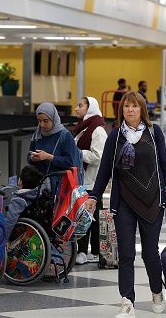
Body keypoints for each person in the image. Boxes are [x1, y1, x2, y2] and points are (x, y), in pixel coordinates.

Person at [84, 91, 166, 318]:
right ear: (122, 110)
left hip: (152, 201)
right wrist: (94, 196)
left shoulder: (154, 132)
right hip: (124, 202)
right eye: (126, 106)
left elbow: (164, 163)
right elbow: (105, 169)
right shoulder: (116, 136)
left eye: (135, 106)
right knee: (126, 254)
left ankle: (157, 290)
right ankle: (127, 302)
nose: (130, 110)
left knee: (150, 253)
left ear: (142, 109)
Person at [72, 97, 108, 265]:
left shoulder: (98, 130)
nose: (77, 108)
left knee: (89, 218)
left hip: (92, 182)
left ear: (90, 107)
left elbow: (98, 156)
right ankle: (87, 251)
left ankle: (88, 251)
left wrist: (78, 153)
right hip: (83, 180)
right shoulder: (84, 127)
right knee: (87, 216)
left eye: (81, 105)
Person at [28, 102, 78, 195]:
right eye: (39, 121)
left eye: (46, 121)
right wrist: (33, 158)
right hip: (40, 187)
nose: (42, 125)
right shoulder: (37, 134)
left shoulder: (65, 135)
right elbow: (29, 156)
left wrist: (49, 157)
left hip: (60, 188)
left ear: (53, 119)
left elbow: (70, 162)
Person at [4, 165, 47, 235]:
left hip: (18, 234)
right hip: (35, 230)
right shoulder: (37, 194)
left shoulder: (19, 199)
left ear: (21, 181)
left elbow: (10, 221)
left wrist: (4, 239)